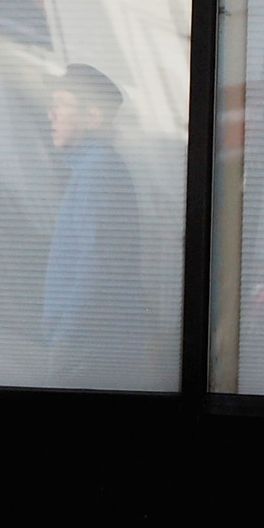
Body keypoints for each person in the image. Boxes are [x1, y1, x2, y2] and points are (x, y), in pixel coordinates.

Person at [40, 62, 152, 388]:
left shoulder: (97, 172)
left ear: (93, 118)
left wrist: (67, 337)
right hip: (92, 343)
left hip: (88, 347)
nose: (51, 114)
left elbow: (100, 265)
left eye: (61, 104)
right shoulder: (93, 169)